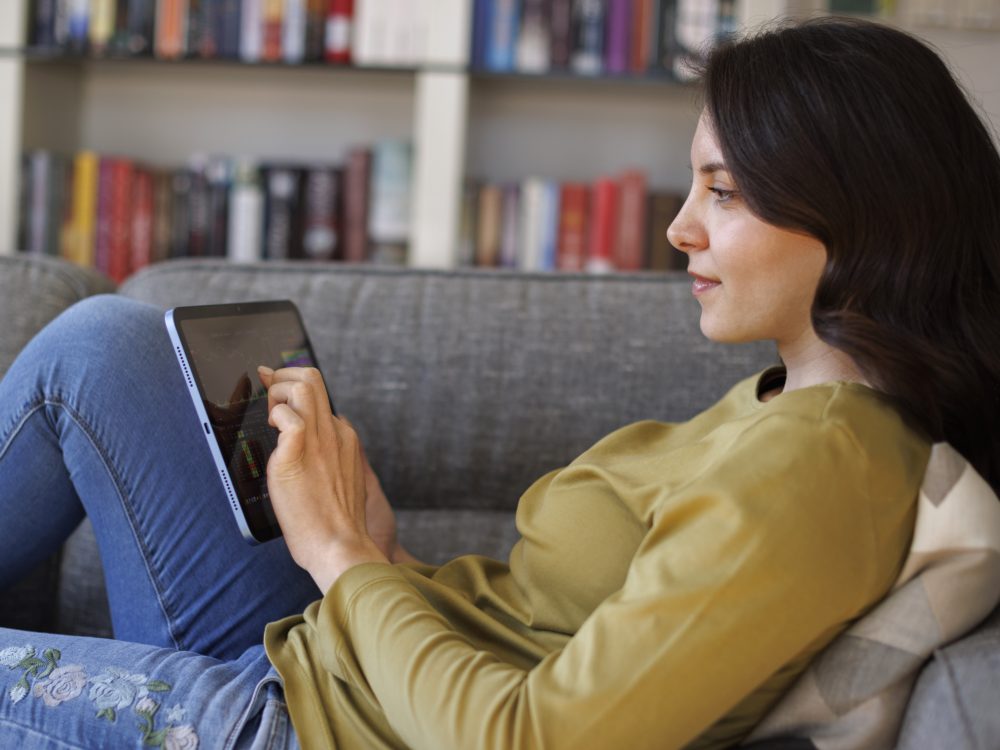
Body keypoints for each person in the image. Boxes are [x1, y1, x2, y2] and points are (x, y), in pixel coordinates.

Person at [1, 16, 999, 750]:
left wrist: (344, 554)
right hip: (340, 657)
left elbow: (530, 741)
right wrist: (379, 551)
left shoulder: (818, 472)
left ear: (861, 215)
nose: (679, 227)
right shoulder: (789, 403)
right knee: (103, 348)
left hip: (309, 725)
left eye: (724, 193)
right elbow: (527, 629)